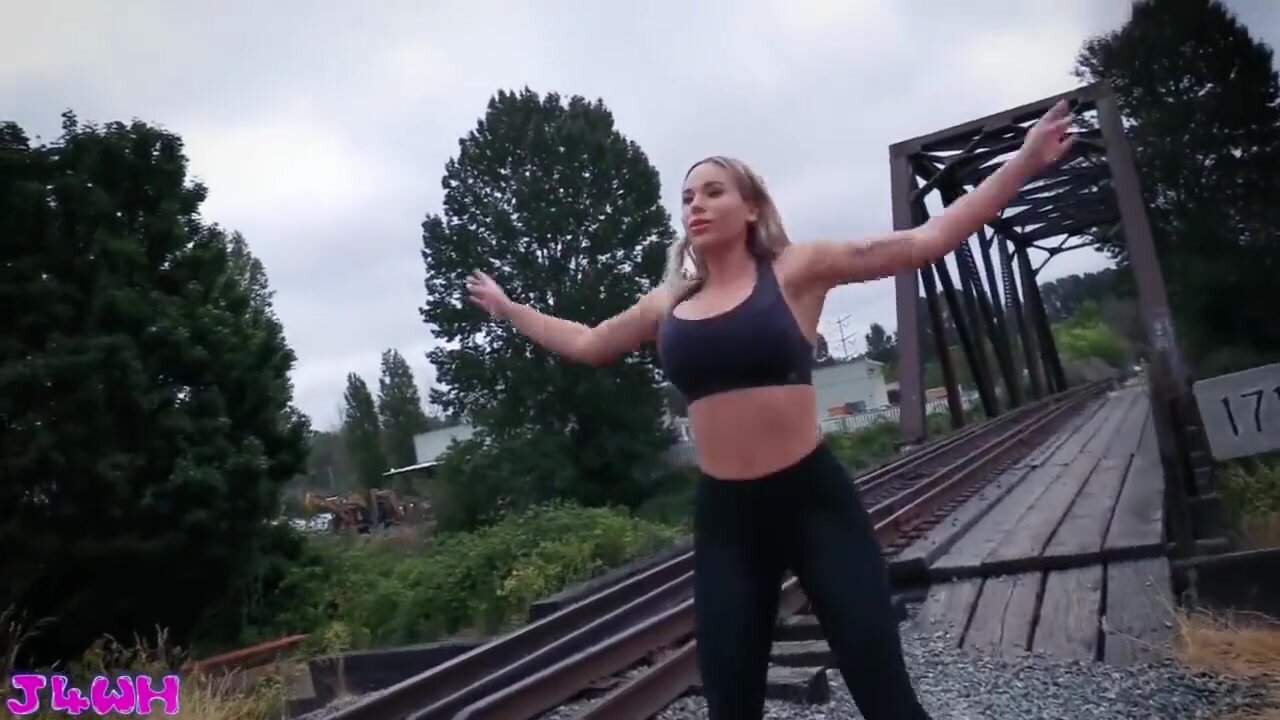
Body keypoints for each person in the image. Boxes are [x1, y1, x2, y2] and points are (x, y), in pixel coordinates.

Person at [465, 100, 1076, 720]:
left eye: (713, 192)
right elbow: (589, 343)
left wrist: (1024, 161)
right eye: (687, 197)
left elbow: (924, 242)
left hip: (813, 505)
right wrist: (509, 309)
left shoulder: (796, 270)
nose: (696, 205)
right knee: (731, 706)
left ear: (752, 207)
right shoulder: (666, 306)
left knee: (886, 697)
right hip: (727, 523)